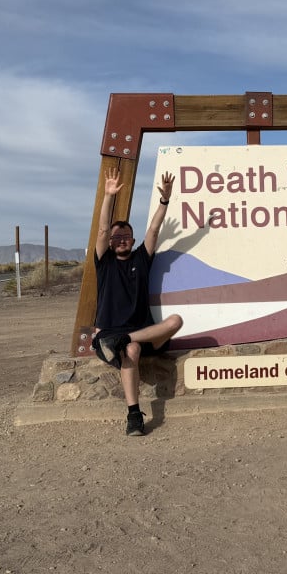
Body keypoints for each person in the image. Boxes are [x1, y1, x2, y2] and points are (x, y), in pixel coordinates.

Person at [91, 166, 183, 436]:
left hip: (142, 332)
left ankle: (127, 338)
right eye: (116, 238)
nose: (121, 240)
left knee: (175, 321)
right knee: (130, 351)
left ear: (132, 240)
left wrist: (165, 200)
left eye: (126, 237)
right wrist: (109, 195)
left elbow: (154, 228)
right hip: (110, 336)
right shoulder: (104, 262)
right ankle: (134, 415)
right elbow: (103, 228)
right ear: (110, 242)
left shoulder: (142, 259)